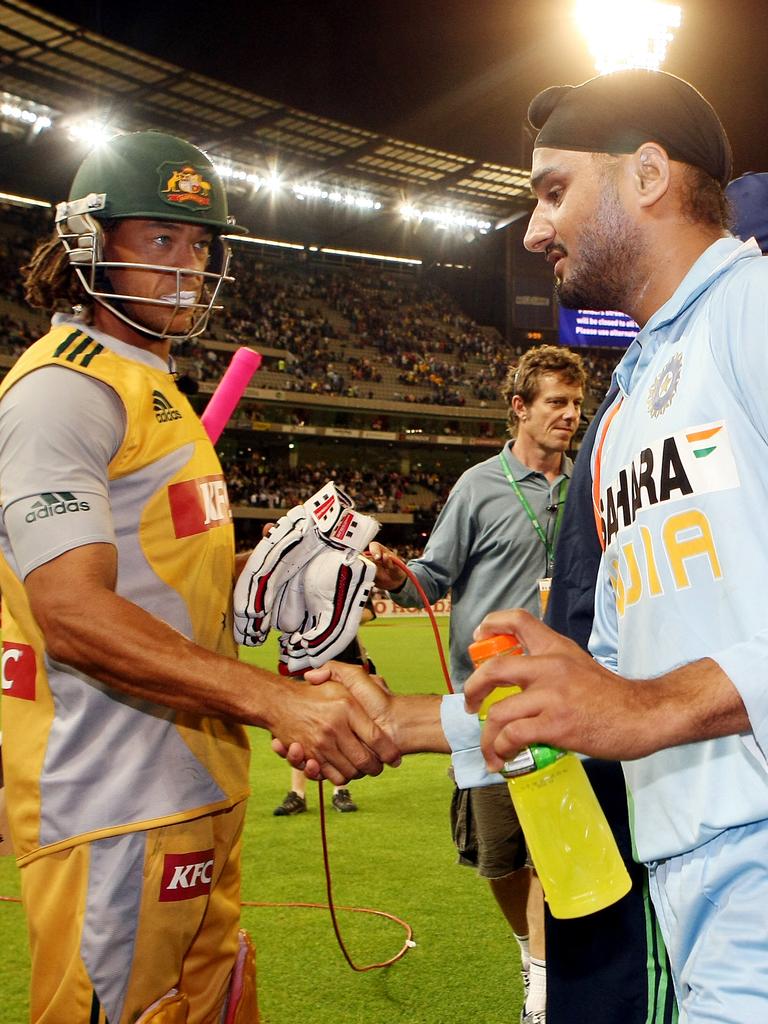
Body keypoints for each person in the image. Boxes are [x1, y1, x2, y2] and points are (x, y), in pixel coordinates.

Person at [0, 129, 398, 1024]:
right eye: (160, 241)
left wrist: (276, 565)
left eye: (201, 245)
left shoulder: (153, 386)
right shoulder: (64, 391)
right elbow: (69, 612)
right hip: (111, 802)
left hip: (187, 785)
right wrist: (276, 700)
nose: (188, 266)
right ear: (87, 245)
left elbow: (154, 579)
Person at [461, 69, 768, 1023]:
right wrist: (405, 725)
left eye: (554, 190)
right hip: (689, 867)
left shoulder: (751, 313)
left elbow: (634, 701)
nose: (533, 231)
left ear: (645, 176)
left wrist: (649, 707)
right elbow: (606, 681)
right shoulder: (628, 407)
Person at [371, 344, 586, 1024]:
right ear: (519, 408)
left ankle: (546, 987)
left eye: (576, 405)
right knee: (497, 859)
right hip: (482, 702)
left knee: (555, 852)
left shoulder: (586, 484)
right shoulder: (478, 486)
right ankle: (531, 950)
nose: (570, 417)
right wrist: (392, 574)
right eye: (556, 403)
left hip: (562, 699)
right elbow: (431, 578)